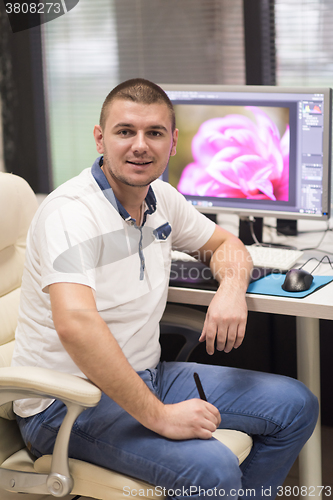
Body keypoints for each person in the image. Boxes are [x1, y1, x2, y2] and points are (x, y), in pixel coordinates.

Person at [12, 78, 318, 499]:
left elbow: (227, 245)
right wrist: (159, 417)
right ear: (101, 139)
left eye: (154, 133)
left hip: (146, 375)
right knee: (211, 468)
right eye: (125, 132)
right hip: (67, 404)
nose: (140, 145)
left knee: (296, 405)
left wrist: (231, 288)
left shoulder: (160, 199)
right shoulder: (70, 214)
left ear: (172, 142)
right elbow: (76, 323)